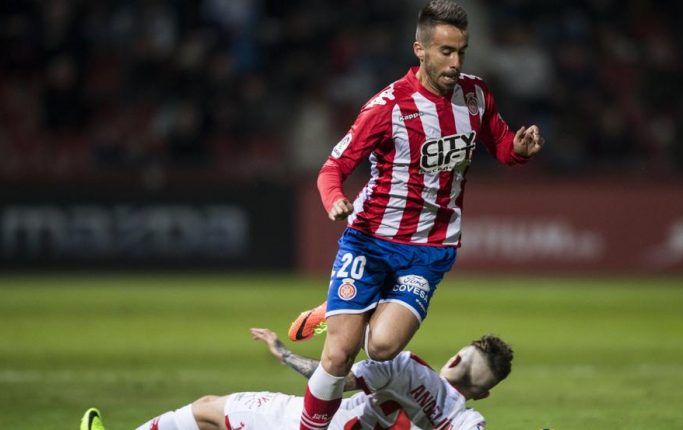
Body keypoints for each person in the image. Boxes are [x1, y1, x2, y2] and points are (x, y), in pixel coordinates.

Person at [289, 1, 544, 429]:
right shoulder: (387, 107)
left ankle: (352, 307)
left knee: (383, 348)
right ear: (420, 50)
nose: (456, 62)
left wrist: (516, 150)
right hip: (369, 242)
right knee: (338, 353)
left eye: (461, 50)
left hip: (428, 250)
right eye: (446, 51)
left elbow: (499, 143)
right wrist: (334, 198)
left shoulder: (476, 95)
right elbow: (333, 167)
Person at [80, 327, 513, 430]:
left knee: (206, 409)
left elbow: (332, 374)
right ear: (485, 395)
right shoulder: (464, 421)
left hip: (304, 422)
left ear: (455, 357)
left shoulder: (404, 367)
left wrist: (284, 352)